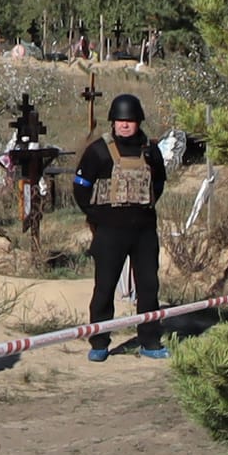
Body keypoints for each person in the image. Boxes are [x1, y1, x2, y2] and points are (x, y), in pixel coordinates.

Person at [74, 93, 168, 362]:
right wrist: (97, 217)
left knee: (149, 287)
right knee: (104, 287)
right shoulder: (99, 150)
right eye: (120, 120)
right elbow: (81, 187)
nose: (125, 125)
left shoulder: (151, 151)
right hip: (110, 232)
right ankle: (100, 342)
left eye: (130, 120)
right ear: (112, 122)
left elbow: (158, 184)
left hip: (144, 232)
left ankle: (150, 341)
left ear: (138, 122)